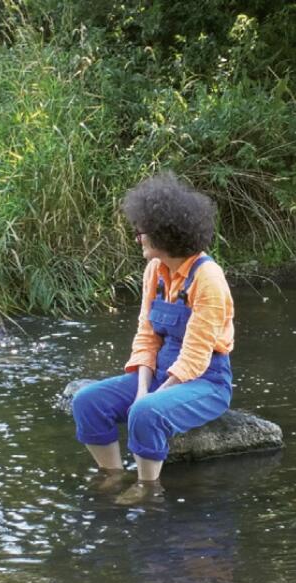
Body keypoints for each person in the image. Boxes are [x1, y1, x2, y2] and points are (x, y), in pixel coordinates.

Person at [72, 173, 234, 505]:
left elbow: (195, 355)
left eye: (142, 231)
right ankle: (113, 475)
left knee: (146, 412)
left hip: (207, 382)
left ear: (165, 234)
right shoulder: (154, 271)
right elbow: (146, 338)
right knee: (87, 401)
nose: (137, 238)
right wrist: (144, 387)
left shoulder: (208, 277)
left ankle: (148, 487)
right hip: (160, 374)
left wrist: (149, 399)